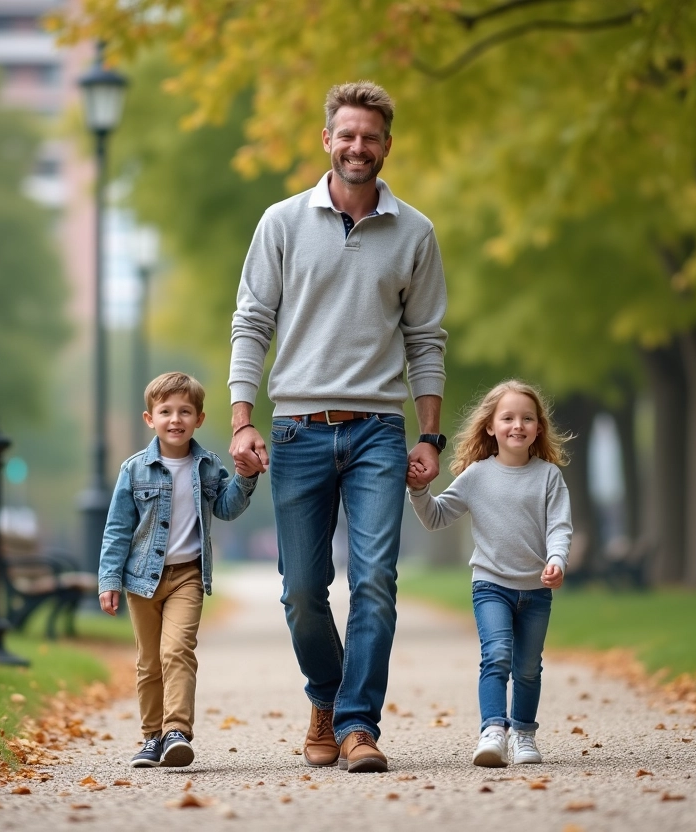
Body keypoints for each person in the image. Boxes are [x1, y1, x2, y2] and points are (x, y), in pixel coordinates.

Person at [229, 81, 448, 773]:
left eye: (372, 137)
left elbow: (427, 340)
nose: (359, 147)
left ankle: (357, 726)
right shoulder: (281, 222)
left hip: (381, 432)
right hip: (296, 429)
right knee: (300, 590)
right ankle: (325, 696)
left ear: (387, 144)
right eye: (347, 135)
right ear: (327, 140)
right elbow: (251, 322)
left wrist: (430, 435)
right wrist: (240, 419)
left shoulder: (415, 232)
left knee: (376, 579)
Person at [407, 379, 572, 767]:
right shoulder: (477, 476)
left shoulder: (549, 476)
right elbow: (436, 516)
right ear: (490, 427)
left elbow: (560, 528)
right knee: (496, 656)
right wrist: (418, 490)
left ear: (538, 428)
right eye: (509, 417)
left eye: (527, 418)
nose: (518, 425)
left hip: (536, 590)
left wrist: (557, 560)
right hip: (491, 585)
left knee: (528, 667)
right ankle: (493, 731)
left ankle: (524, 735)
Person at [98, 372, 258, 768]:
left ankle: (176, 731)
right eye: (165, 411)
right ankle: (152, 737)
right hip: (141, 580)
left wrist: (246, 477)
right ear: (149, 418)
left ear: (199, 419)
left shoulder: (207, 466)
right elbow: (117, 529)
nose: (175, 419)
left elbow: (226, 507)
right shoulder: (134, 470)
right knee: (149, 662)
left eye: (185, 411)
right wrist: (109, 579)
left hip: (188, 574)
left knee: (177, 651)